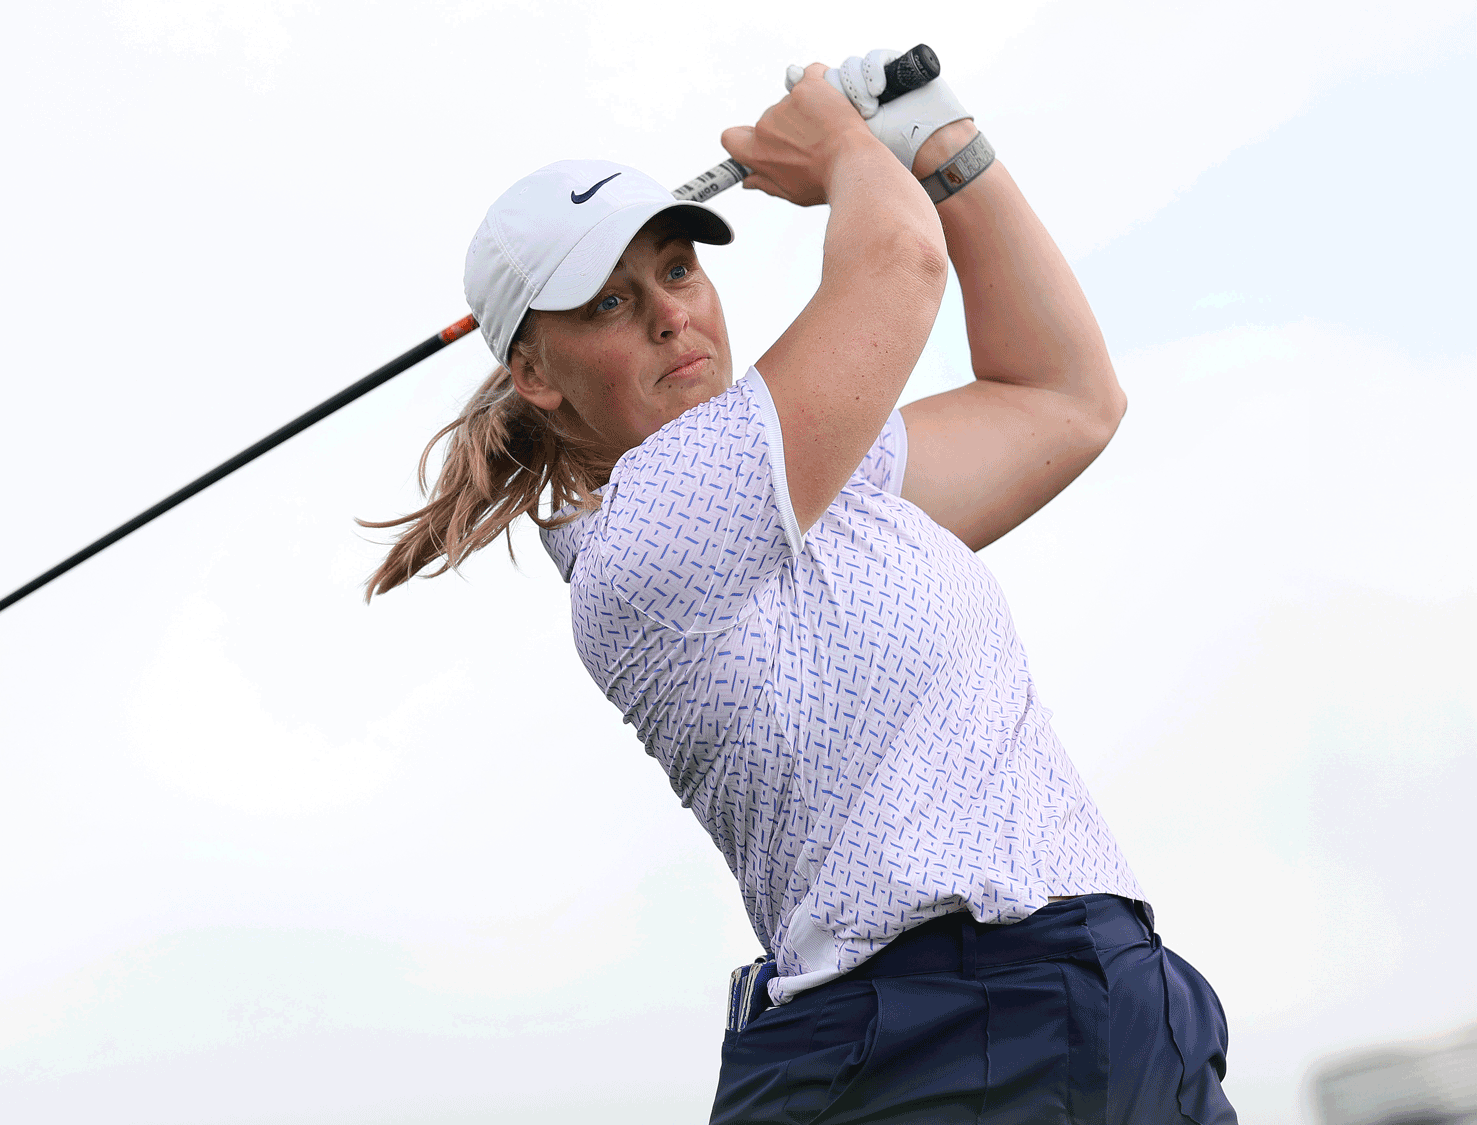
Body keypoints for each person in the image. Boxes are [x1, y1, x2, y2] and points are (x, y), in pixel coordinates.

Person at [363, 49, 1236, 1124]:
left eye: (677, 270)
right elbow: (896, 268)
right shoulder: (647, 534)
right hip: (926, 1043)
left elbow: (1061, 398)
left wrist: (937, 142)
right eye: (605, 303)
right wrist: (838, 146)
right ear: (535, 375)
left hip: (1106, 1001)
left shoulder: (840, 479)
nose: (669, 314)